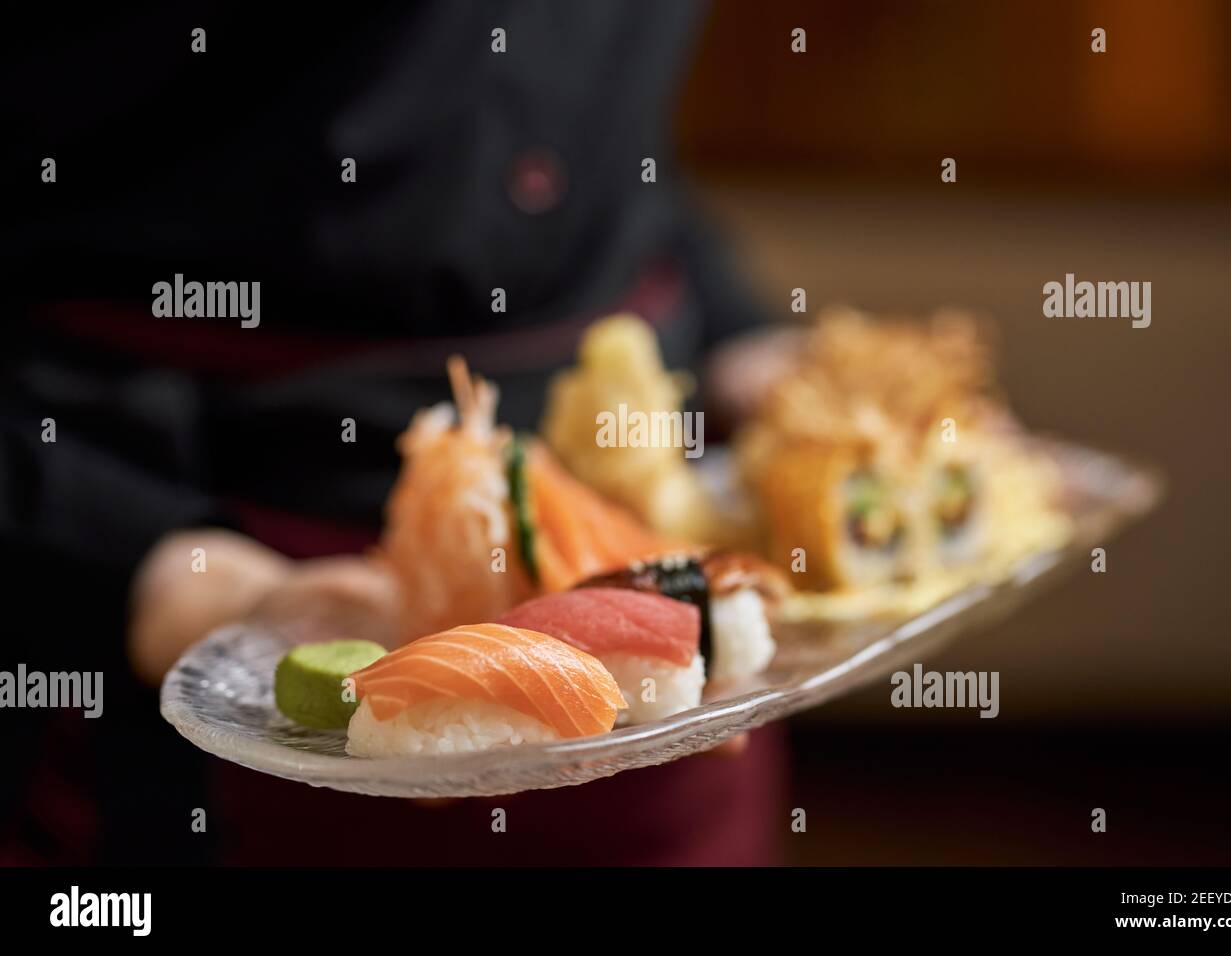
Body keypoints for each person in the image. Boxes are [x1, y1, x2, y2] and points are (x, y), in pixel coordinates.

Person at [1, 2, 787, 864]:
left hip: (666, 674)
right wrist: (132, 555)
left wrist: (746, 338)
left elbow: (585, 113)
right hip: (169, 586)